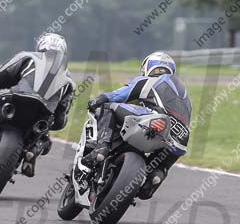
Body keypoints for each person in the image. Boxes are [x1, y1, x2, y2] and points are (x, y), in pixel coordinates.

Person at [0, 33, 75, 175]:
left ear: (41, 45)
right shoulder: (69, 80)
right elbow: (60, 120)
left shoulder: (28, 56)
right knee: (46, 138)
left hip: (15, 97)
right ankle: (34, 150)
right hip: (43, 115)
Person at [82, 51, 191, 197]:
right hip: (180, 137)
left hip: (153, 119)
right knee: (159, 167)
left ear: (147, 67)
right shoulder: (184, 94)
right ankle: (156, 176)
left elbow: (120, 94)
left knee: (109, 107)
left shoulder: (152, 79)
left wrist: (99, 99)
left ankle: (102, 148)